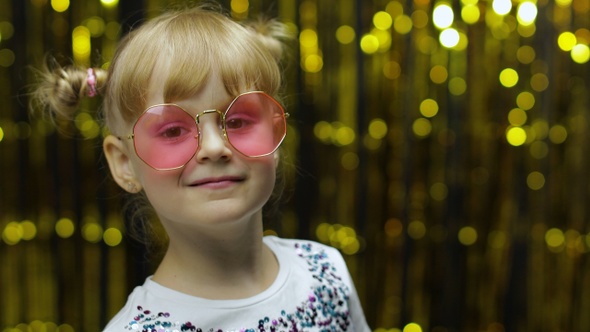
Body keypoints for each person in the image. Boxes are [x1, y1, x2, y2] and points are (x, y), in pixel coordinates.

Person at [32, 4, 370, 332]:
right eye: (173, 130)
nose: (213, 147)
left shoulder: (326, 273)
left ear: (275, 131)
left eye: (238, 120)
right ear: (124, 164)